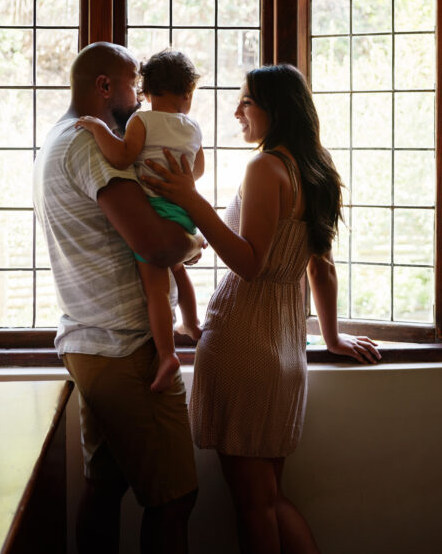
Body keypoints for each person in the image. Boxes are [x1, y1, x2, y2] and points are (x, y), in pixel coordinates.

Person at [142, 64, 382, 554]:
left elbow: (249, 263)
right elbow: (323, 270)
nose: (236, 112)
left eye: (245, 102)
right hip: (287, 348)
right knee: (269, 496)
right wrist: (331, 338)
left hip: (245, 342)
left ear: (276, 108)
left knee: (253, 504)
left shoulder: (265, 168)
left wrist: (191, 199)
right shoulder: (316, 171)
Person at [32, 41, 202, 554]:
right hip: (125, 347)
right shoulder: (88, 144)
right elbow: (154, 243)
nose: (142, 95)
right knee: (175, 499)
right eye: (135, 83)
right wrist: (192, 241)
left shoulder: (59, 139)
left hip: (92, 343)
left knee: (105, 486)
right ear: (105, 86)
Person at [74, 48, 205, 393]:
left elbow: (121, 156)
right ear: (187, 94)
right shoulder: (193, 127)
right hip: (183, 212)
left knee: (157, 291)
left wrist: (99, 128)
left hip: (157, 211)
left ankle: (166, 355)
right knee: (178, 268)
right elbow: (198, 170)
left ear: (145, 93)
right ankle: (192, 323)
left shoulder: (141, 121)